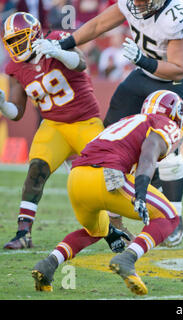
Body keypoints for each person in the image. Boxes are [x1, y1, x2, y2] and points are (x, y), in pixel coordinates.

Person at [55, 0, 183, 246]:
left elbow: (177, 69)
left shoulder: (177, 14)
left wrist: (143, 60)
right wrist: (63, 43)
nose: (138, 5)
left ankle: (175, 217)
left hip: (172, 81)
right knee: (110, 137)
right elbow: (99, 23)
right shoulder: (131, 3)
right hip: (143, 74)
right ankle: (114, 220)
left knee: (168, 152)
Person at [32, 90, 183, 295]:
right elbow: (149, 153)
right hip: (107, 175)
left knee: (96, 230)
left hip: (77, 178)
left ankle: (48, 264)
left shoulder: (126, 121)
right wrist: (140, 191)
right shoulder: (164, 123)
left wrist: (112, 229)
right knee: (169, 217)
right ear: (176, 114)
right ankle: (128, 259)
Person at [0, 12, 107, 249]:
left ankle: (117, 230)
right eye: (11, 42)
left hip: (85, 122)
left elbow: (80, 63)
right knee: (36, 171)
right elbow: (17, 111)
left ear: (35, 34)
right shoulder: (15, 67)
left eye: (20, 39)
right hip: (54, 126)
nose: (16, 47)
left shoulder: (58, 38)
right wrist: (3, 105)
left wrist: (58, 51)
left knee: (104, 176)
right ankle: (23, 233)